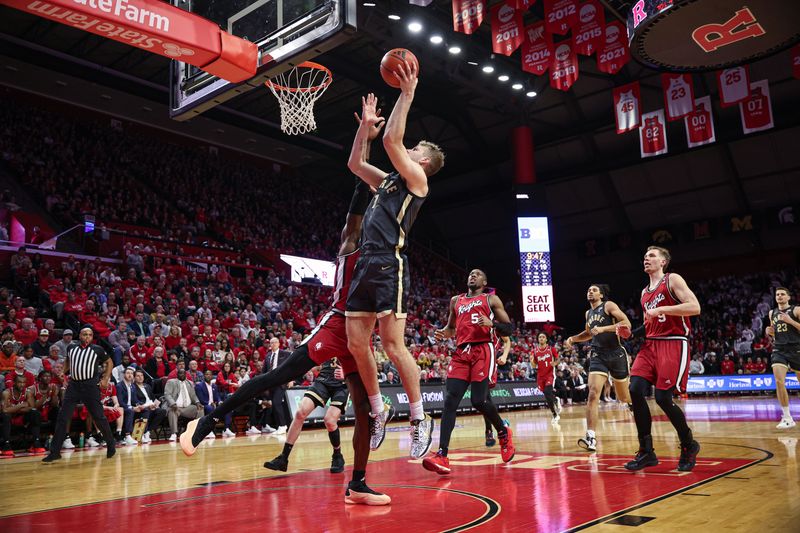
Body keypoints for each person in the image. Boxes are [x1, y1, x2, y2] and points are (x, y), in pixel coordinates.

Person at [182, 172, 391, 505]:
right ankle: (206, 421)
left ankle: (358, 484)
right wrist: (361, 181)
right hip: (337, 326)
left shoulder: (382, 258)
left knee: (363, 409)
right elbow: (354, 218)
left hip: (360, 338)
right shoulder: (352, 242)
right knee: (278, 376)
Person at [345, 72, 445, 459]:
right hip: (366, 262)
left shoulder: (418, 179)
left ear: (421, 159)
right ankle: (378, 409)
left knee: (391, 343)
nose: (406, 147)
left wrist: (408, 92)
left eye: (413, 146)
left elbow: (391, 140)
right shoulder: (388, 180)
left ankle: (419, 417)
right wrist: (364, 130)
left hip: (390, 262)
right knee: (357, 343)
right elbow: (356, 163)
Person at [423, 269, 515, 474]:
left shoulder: (491, 299)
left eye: (478, 274)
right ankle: (442, 455)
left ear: (485, 281)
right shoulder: (456, 300)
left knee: (478, 401)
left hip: (483, 349)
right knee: (450, 400)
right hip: (461, 352)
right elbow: (451, 328)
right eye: (470, 274)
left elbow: (509, 328)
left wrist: (494, 324)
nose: (472, 276)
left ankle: (502, 431)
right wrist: (443, 333)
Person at [625, 246, 701, 472]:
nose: (646, 259)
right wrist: (632, 334)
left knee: (662, 398)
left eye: (652, 256)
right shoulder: (644, 292)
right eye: (645, 256)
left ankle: (688, 445)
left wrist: (663, 309)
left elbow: (694, 307)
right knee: (636, 389)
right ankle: (646, 451)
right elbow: (650, 323)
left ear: (663, 262)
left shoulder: (672, 279)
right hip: (650, 344)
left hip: (674, 341)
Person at [564, 284, 633, 452]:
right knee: (593, 393)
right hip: (598, 355)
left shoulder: (609, 306)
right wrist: (573, 338)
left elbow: (626, 323)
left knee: (624, 398)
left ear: (601, 295)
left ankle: (631, 404)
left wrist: (603, 328)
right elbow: (589, 333)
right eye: (588, 290)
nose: (590, 292)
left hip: (616, 354)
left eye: (594, 290)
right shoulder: (588, 313)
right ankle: (591, 436)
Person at [42, 327, 116, 462]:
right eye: (84, 334)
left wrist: (105, 378)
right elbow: (68, 362)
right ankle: (55, 452)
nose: (87, 337)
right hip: (74, 385)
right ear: (80, 335)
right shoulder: (71, 348)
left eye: (90, 335)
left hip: (90, 386)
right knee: (63, 417)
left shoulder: (97, 349)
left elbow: (109, 362)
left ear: (92, 337)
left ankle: (111, 444)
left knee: (99, 417)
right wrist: (63, 371)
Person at [264, 358, 348, 474]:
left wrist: (347, 373)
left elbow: (365, 363)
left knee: (329, 420)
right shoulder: (325, 340)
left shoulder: (354, 340)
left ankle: (337, 455)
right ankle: (283, 458)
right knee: (300, 413)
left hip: (342, 384)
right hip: (323, 380)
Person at [765, 287, 800, 429]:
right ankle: (787, 417)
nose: (779, 296)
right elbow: (776, 332)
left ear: (788, 297)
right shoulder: (772, 312)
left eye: (782, 294)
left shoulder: (796, 310)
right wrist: (770, 332)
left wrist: (790, 321)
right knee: (779, 381)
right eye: (777, 294)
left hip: (797, 348)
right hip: (779, 349)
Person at [1, 373, 45, 456]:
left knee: (35, 413)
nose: (22, 385)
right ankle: (6, 445)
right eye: (19, 382)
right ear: (14, 382)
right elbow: (4, 410)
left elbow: (32, 408)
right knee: (5, 416)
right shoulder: (6, 393)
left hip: (20, 418)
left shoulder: (28, 392)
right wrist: (21, 405)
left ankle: (36, 443)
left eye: (24, 383)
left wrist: (13, 409)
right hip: (9, 418)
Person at [163, 368, 203, 442]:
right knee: (172, 411)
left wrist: (197, 402)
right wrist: (173, 404)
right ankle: (174, 433)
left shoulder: (190, 383)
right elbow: (167, 394)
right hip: (176, 407)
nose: (182, 375)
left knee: (200, 409)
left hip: (187, 408)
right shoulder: (171, 382)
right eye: (180, 373)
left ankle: (199, 431)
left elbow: (193, 395)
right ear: (177, 374)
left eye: (183, 373)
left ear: (186, 374)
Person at [484, 335, 510, 447]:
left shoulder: (494, 325)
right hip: (474, 361)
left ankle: (489, 431)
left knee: (484, 398)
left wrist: (504, 355)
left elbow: (507, 340)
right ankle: (500, 423)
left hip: (488, 364)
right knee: (482, 399)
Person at [531, 333, 562, 423]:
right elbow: (534, 366)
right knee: (547, 396)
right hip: (540, 376)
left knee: (547, 392)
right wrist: (531, 360)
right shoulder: (534, 351)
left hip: (550, 374)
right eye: (540, 337)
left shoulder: (551, 349)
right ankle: (556, 400)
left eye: (543, 337)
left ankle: (555, 415)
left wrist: (555, 364)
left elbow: (558, 359)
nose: (541, 338)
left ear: (546, 339)